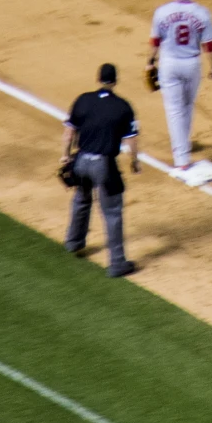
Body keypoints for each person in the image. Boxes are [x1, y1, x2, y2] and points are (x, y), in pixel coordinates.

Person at [62, 63, 139, 277]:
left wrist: (65, 156)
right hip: (103, 166)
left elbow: (68, 133)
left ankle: (73, 241)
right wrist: (134, 162)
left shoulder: (83, 99)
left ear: (99, 79)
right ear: (114, 81)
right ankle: (117, 264)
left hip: (80, 161)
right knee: (112, 212)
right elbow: (131, 140)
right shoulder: (123, 107)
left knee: (81, 198)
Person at [148, 0, 212, 171]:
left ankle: (182, 159)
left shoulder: (162, 12)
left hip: (169, 64)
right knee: (187, 106)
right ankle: (183, 147)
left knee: (174, 110)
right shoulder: (202, 13)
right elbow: (209, 45)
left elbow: (155, 41)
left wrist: (149, 62)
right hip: (192, 64)